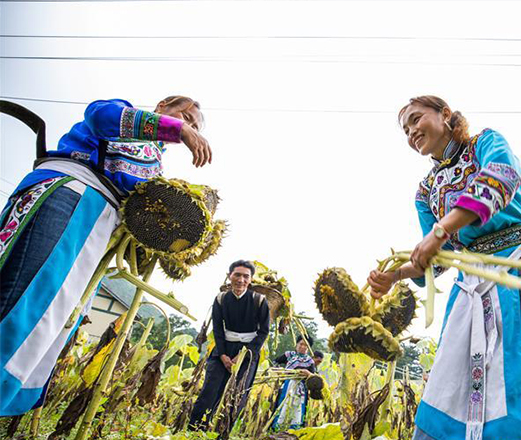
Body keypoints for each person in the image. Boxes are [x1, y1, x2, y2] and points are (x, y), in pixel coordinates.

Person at [367, 96, 521, 440]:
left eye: (416, 119)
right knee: (448, 389)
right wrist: (397, 274)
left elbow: (501, 179)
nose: (411, 132)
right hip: (471, 288)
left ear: (445, 115)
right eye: (405, 130)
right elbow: (435, 259)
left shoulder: (485, 143)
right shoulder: (426, 192)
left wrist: (441, 230)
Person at [0, 96, 212, 416]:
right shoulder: (122, 113)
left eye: (195, 125)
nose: (190, 126)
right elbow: (101, 116)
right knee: (27, 298)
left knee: (53, 322)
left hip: (97, 230)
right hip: (71, 195)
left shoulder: (155, 167)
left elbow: (139, 218)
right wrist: (177, 128)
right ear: (164, 105)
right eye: (186, 115)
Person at [189, 260, 270, 430]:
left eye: (245, 276)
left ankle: (222, 432)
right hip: (223, 348)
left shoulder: (259, 301)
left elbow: (263, 331)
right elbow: (218, 328)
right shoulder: (221, 299)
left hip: (248, 353)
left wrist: (244, 354)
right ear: (229, 276)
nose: (241, 280)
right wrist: (224, 355)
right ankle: (195, 430)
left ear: (251, 280)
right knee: (209, 391)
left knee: (237, 395)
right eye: (237, 275)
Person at [271, 335, 315, 431]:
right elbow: (275, 361)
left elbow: (313, 376)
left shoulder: (310, 361)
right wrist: (279, 370)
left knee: (297, 408)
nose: (302, 347)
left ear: (308, 348)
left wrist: (307, 373)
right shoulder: (289, 355)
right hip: (287, 385)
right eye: (301, 344)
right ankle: (277, 427)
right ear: (296, 344)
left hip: (301, 388)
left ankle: (295, 429)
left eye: (305, 345)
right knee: (283, 404)